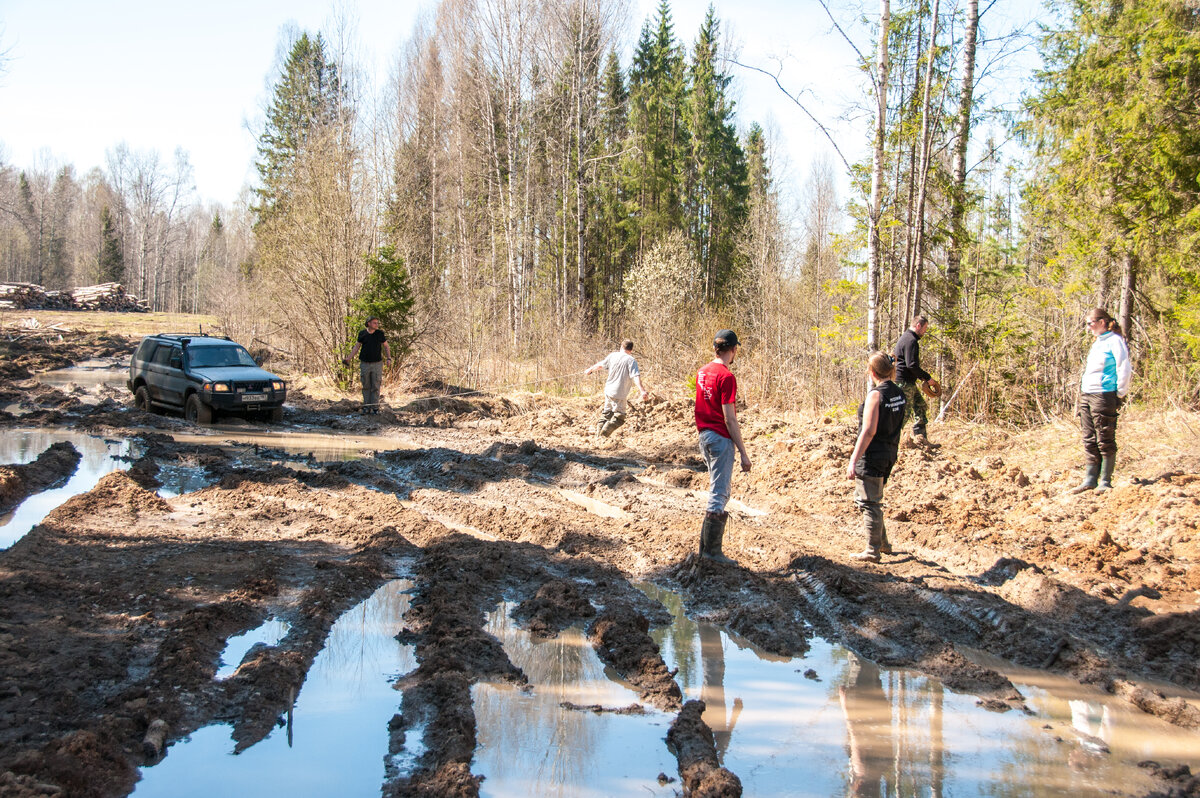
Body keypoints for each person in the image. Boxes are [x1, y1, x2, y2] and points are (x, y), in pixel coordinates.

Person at [694, 329, 751, 565]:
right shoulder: (726, 377)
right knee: (719, 493)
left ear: (715, 348)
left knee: (717, 490)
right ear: (734, 349)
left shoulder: (703, 371)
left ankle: (704, 550)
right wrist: (744, 453)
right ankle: (711, 553)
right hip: (720, 437)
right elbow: (730, 418)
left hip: (704, 435)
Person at [846, 352, 907, 562]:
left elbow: (868, 431)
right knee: (874, 498)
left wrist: (853, 459)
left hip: (872, 455)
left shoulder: (875, 395)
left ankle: (873, 550)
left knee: (869, 502)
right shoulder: (900, 393)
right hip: (890, 452)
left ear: (872, 372)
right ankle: (883, 543)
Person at [1069, 308, 1132, 494]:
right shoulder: (1098, 342)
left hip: (1104, 394)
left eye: (1090, 323)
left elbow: (1124, 367)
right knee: (1089, 437)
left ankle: (1105, 480)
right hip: (1088, 393)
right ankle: (1090, 479)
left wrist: (1120, 392)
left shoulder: (1115, 341)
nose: (1088, 327)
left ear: (1102, 322)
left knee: (1104, 437)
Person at [584, 339, 649, 437]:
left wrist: (590, 369)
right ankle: (603, 436)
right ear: (631, 350)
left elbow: (600, 365)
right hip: (619, 393)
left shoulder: (613, 355)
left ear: (621, 347)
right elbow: (636, 376)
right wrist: (642, 390)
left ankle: (598, 437)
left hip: (608, 391)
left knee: (607, 414)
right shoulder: (631, 360)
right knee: (619, 417)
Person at [893, 315, 940, 446]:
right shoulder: (911, 340)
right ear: (918, 325)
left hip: (908, 382)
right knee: (904, 413)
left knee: (920, 406)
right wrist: (927, 378)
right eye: (925, 328)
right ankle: (891, 442)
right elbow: (911, 365)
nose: (925, 331)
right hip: (904, 383)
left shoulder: (907, 338)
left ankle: (921, 439)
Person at [342, 317, 391, 414]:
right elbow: (356, 347)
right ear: (369, 323)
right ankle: (366, 407)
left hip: (377, 363)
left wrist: (389, 358)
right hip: (365, 363)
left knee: (376, 385)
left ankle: (375, 408)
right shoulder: (362, 334)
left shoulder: (380, 334)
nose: (376, 325)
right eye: (374, 323)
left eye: (377, 323)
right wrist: (349, 358)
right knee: (366, 385)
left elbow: (386, 346)